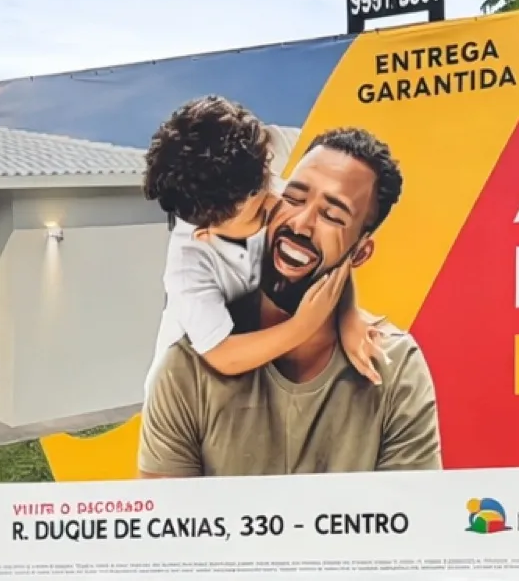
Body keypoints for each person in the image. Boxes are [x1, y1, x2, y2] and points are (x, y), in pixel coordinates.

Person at [138, 127, 441, 477]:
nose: (300, 222)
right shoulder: (187, 360)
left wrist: (349, 319)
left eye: (332, 215)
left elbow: (410, 518)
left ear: (360, 252)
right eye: (295, 198)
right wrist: (303, 326)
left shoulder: (394, 366)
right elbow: (167, 522)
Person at [142, 95, 383, 384]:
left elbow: (330, 248)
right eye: (257, 214)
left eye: (267, 183)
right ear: (207, 233)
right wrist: (303, 326)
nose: (276, 203)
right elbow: (223, 355)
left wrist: (348, 316)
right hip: (191, 386)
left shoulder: (261, 155)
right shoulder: (189, 263)